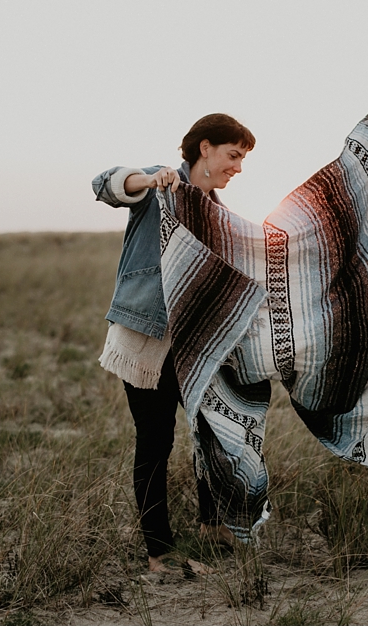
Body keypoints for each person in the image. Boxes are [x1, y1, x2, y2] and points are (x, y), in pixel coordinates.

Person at [90, 113, 255, 574]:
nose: (238, 167)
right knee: (156, 441)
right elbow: (104, 184)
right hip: (145, 339)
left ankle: (212, 523)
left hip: (193, 345)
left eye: (241, 159)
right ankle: (158, 551)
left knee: (215, 431)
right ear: (205, 148)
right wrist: (147, 178)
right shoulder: (160, 190)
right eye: (233, 156)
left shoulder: (216, 211)